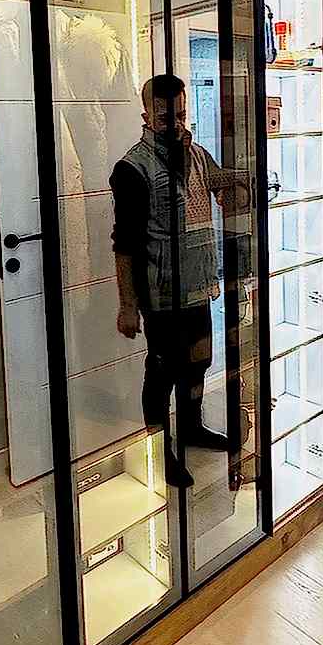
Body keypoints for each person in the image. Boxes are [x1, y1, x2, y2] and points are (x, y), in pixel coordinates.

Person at [110, 74, 245, 487]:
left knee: (198, 362)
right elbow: (124, 245)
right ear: (147, 116)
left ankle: (191, 427)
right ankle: (158, 449)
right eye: (166, 118)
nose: (176, 124)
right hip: (161, 294)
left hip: (199, 285)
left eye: (182, 115)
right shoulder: (132, 168)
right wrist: (127, 305)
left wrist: (243, 180)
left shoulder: (198, 154)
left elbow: (222, 186)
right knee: (162, 372)